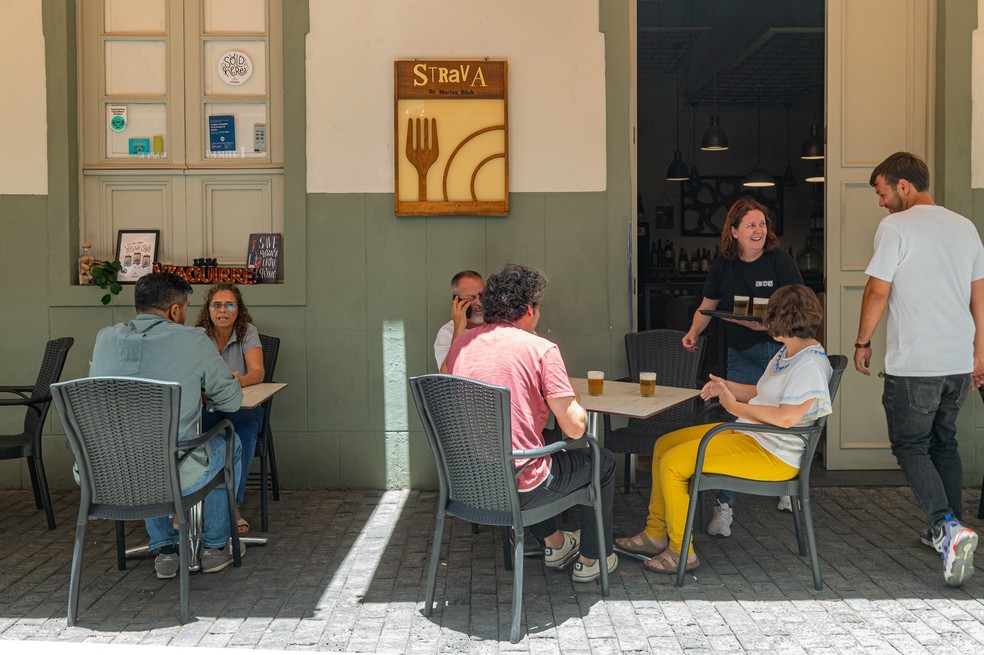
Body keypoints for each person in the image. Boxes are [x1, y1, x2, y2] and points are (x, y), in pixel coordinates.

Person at [616, 284, 832, 573]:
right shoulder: (789, 353)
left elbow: (786, 418)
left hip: (773, 454)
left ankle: (682, 552)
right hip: (755, 437)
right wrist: (726, 387)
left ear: (783, 319)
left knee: (673, 463)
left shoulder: (810, 365)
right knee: (664, 444)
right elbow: (762, 391)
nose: (765, 321)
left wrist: (734, 407)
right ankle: (655, 534)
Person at [854, 151, 984, 587]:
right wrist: (979, 353)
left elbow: (877, 290)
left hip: (916, 364)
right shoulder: (964, 227)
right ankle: (947, 531)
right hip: (956, 362)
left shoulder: (896, 227)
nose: (881, 202)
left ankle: (947, 529)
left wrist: (862, 341)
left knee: (911, 445)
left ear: (903, 186)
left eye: (882, 191)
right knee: (943, 443)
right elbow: (979, 297)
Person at [445, 263, 618, 582]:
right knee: (601, 461)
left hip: (471, 483)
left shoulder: (460, 347)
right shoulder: (540, 349)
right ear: (528, 309)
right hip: (522, 486)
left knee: (523, 454)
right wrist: (573, 399)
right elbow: (575, 429)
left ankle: (556, 546)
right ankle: (593, 558)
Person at [89, 272, 244, 579]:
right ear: (175, 311)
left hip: (104, 470)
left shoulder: (105, 338)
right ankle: (213, 547)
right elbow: (231, 401)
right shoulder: (194, 340)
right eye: (185, 309)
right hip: (174, 470)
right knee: (229, 443)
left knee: (144, 447)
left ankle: (167, 549)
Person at [682, 197, 804, 536]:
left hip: (780, 352)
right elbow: (707, 307)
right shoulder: (724, 266)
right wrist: (693, 332)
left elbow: (800, 308)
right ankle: (725, 505)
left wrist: (767, 327)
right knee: (739, 421)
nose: (759, 230)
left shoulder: (780, 261)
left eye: (762, 224)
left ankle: (785, 484)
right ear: (733, 231)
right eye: (751, 225)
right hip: (743, 353)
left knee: (783, 417)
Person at [195, 282, 265, 535]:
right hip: (209, 403)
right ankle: (191, 504)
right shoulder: (199, 335)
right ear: (209, 309)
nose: (222, 310)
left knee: (244, 431)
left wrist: (238, 381)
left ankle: (233, 505)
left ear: (238, 309)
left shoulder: (247, 331)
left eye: (229, 304)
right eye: (217, 305)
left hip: (241, 403)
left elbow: (257, 372)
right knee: (188, 429)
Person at [434, 270, 484, 373]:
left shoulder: (498, 326)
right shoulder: (446, 333)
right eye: (471, 298)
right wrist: (459, 329)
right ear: (456, 301)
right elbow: (447, 376)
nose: (479, 303)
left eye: (482, 296)